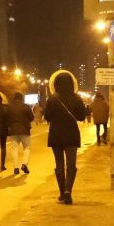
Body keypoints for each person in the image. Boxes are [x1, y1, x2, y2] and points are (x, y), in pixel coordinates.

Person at [45, 71, 88, 204]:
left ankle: (61, 192)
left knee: (59, 164)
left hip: (56, 134)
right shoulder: (76, 98)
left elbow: (47, 117)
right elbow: (81, 117)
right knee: (71, 164)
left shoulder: (52, 99)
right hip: (71, 134)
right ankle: (68, 191)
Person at [6, 91, 34, 176]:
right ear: (21, 98)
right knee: (26, 148)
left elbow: (6, 118)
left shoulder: (9, 107)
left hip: (13, 130)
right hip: (25, 130)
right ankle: (24, 164)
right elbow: (31, 117)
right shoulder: (26, 106)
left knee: (14, 149)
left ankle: (16, 168)